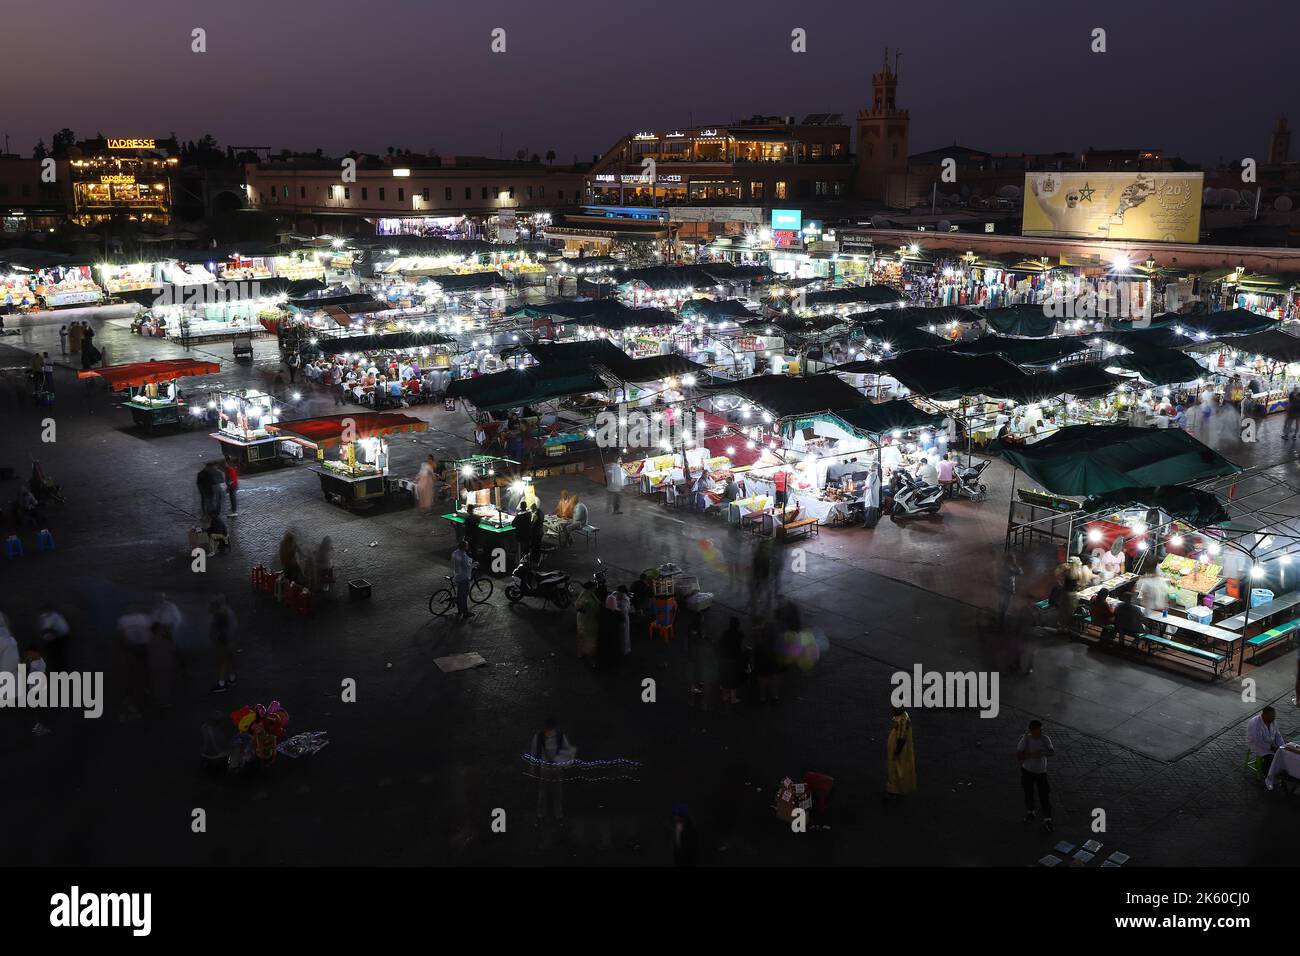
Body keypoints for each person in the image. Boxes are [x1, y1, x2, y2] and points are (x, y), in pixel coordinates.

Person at [529, 718, 575, 824]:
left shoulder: (557, 736)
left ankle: (555, 816)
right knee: (545, 793)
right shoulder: (541, 736)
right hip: (546, 768)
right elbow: (533, 751)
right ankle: (545, 816)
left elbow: (567, 750)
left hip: (554, 768)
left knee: (555, 793)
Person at [1017, 719, 1055, 831]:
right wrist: (1033, 754)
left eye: (1041, 729)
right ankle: (1030, 812)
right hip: (1027, 771)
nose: (1041, 732)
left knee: (1044, 795)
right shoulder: (1026, 739)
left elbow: (1052, 752)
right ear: (1032, 731)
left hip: (1041, 772)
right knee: (1028, 792)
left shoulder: (1045, 739)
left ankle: (1048, 819)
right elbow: (1019, 755)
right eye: (1038, 730)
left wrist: (1043, 753)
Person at [1248, 706, 1286, 783]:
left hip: (1270, 743)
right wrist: (1271, 748)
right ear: (1264, 715)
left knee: (1284, 754)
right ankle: (1267, 776)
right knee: (1271, 758)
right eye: (1271, 716)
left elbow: (1278, 735)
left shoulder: (1272, 721)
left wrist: (1282, 746)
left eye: (1274, 716)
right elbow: (1257, 741)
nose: (1273, 718)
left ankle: (1278, 774)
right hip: (1257, 746)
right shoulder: (1255, 723)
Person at [208, 596, 238, 693]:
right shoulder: (229, 612)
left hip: (224, 640)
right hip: (231, 639)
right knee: (230, 659)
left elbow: (217, 630)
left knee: (223, 662)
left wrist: (215, 638)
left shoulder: (220, 615)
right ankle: (232, 678)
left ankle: (221, 684)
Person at [885, 706, 917, 796]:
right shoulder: (901, 717)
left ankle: (895, 789)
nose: (893, 710)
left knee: (897, 767)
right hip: (898, 747)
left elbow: (901, 739)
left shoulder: (902, 720)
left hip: (899, 749)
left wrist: (897, 751)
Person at [35, 603, 70, 673]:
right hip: (49, 642)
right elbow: (42, 629)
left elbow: (64, 629)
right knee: (51, 660)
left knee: (59, 660)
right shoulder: (43, 618)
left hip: (58, 641)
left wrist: (54, 634)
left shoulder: (56, 617)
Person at [718, 617, 744, 704]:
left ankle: (724, 696)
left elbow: (720, 645)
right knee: (733, 679)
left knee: (724, 677)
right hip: (734, 661)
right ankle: (733, 698)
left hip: (724, 659)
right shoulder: (740, 634)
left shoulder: (724, 634)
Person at [575, 581, 600, 659]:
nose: (595, 589)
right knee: (584, 635)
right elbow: (578, 606)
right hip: (585, 619)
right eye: (595, 587)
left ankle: (586, 651)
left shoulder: (587, 593)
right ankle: (582, 652)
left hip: (589, 618)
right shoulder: (586, 595)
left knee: (588, 635)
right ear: (591, 588)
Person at [452, 539, 475, 620]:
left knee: (459, 595)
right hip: (464, 577)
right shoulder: (463, 555)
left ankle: (459, 610)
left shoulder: (455, 553)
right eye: (467, 545)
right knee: (464, 596)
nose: (468, 546)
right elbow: (467, 566)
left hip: (457, 576)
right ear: (464, 547)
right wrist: (474, 564)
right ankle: (465, 612)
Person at [998, 552, 1022, 628]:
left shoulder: (1005, 566)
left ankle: (1001, 622)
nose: (1015, 561)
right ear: (1010, 560)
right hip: (1006, 590)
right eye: (1014, 559)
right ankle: (1002, 625)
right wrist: (1016, 565)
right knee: (1004, 607)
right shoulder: (1008, 568)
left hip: (1004, 589)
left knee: (1003, 606)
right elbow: (1020, 573)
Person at [606, 585, 632, 656]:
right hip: (623, 618)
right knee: (624, 634)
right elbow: (625, 610)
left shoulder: (616, 595)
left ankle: (622, 650)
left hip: (619, 618)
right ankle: (624, 650)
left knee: (621, 634)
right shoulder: (624, 598)